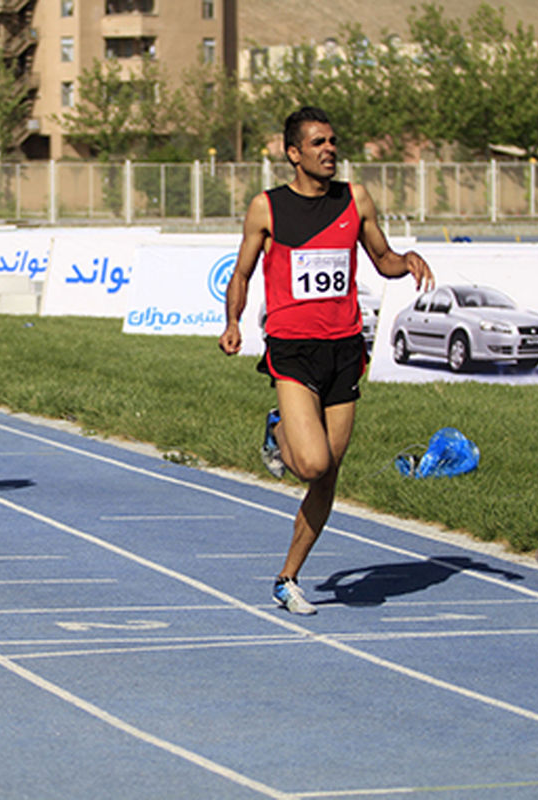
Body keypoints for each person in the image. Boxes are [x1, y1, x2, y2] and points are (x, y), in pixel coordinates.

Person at [218, 107, 435, 615]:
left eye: (333, 141)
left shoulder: (353, 199)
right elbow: (243, 273)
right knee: (311, 459)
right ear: (293, 153)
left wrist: (405, 262)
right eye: (318, 143)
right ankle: (279, 430)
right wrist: (233, 321)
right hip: (292, 348)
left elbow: (381, 258)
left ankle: (287, 577)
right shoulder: (266, 208)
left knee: (327, 473)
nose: (329, 150)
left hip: (344, 348)